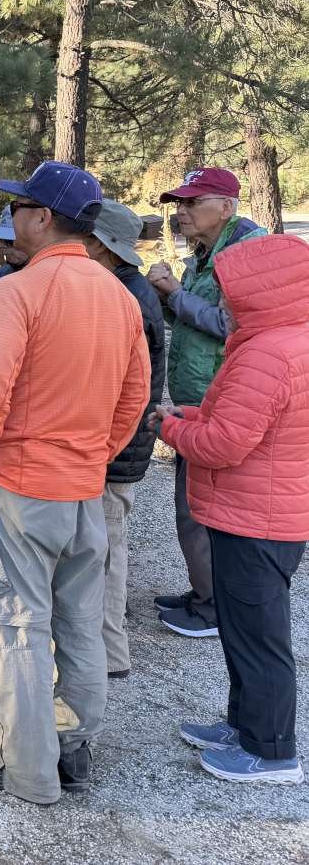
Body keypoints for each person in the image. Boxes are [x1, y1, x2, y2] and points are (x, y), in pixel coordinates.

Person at [0, 161, 151, 806]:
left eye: (18, 208)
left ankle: (30, 772)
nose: (11, 218)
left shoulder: (18, 291)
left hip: (17, 488)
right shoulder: (119, 296)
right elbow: (136, 396)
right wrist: (92, 457)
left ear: (41, 218)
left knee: (11, 626)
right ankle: (72, 745)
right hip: (82, 490)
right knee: (79, 623)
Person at [154, 233, 309, 786]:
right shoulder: (287, 339)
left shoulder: (267, 353)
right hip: (268, 513)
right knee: (245, 630)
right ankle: (244, 727)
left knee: (260, 638)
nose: (222, 301)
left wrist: (170, 428)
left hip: (254, 518)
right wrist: (192, 414)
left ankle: (271, 751)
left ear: (262, 290)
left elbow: (224, 444)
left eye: (229, 290)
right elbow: (249, 421)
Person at [147, 167, 266, 638]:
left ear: (226, 206)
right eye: (179, 203)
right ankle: (206, 592)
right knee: (197, 505)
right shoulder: (204, 254)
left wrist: (174, 293)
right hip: (200, 398)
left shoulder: (246, 253)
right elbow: (193, 321)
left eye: (193, 202)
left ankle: (214, 607)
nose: (181, 212)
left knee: (200, 511)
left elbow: (230, 326)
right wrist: (166, 298)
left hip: (225, 402)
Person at [82, 200, 166, 681]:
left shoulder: (127, 296)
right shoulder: (125, 288)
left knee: (107, 552)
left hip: (117, 448)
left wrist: (103, 445)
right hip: (117, 443)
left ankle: (111, 652)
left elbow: (121, 386)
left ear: (102, 246)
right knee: (101, 547)